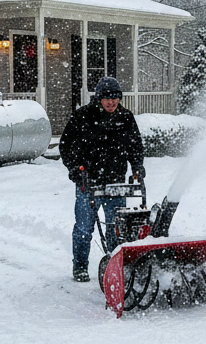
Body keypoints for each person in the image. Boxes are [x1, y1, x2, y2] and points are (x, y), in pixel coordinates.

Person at [59, 76, 145, 281]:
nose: (111, 102)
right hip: (88, 182)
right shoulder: (83, 117)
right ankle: (80, 266)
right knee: (84, 228)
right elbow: (66, 146)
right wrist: (75, 169)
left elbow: (135, 145)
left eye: (115, 98)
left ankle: (115, 268)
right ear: (98, 98)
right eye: (107, 98)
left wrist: (137, 166)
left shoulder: (125, 118)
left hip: (116, 183)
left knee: (117, 229)